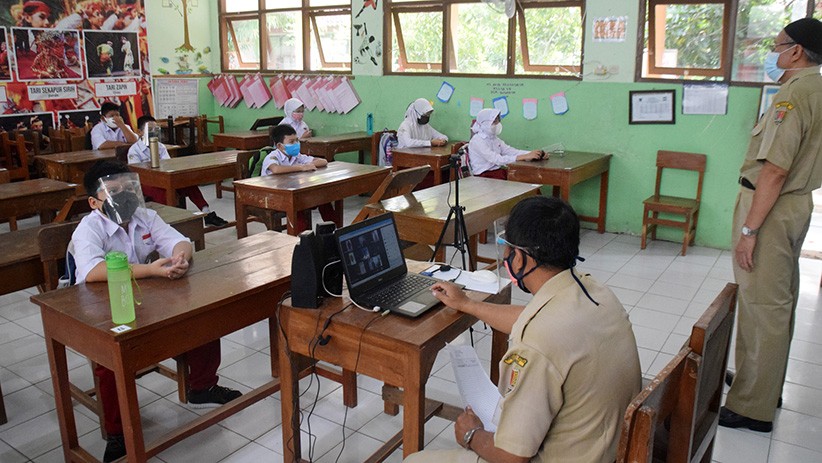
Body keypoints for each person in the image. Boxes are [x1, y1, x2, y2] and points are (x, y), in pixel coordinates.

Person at [405, 196, 641, 463]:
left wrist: (472, 434)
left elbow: (512, 458)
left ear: (521, 258)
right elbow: (529, 318)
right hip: (604, 447)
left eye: (507, 247)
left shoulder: (538, 344)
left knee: (414, 460)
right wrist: (467, 304)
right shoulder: (593, 290)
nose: (506, 256)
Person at [72, 161, 242, 462]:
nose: (123, 195)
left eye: (126, 188)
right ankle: (117, 432)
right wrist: (150, 269)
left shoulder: (143, 215)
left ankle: (202, 386)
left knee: (200, 313)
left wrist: (179, 259)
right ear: (94, 202)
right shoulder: (89, 228)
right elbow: (92, 271)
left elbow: (178, 241)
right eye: (113, 191)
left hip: (143, 292)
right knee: (110, 355)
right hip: (103, 302)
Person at [720, 17, 822, 433]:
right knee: (776, 300)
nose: (773, 54)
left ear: (796, 51)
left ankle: (752, 406)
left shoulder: (794, 97)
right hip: (796, 205)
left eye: (777, 46)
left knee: (764, 304)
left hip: (771, 206)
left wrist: (750, 230)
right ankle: (759, 382)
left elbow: (775, 170)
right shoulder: (817, 88)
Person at [128, 115, 229, 227]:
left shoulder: (160, 147)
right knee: (162, 191)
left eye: (156, 129)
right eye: (149, 129)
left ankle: (207, 213)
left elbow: (167, 163)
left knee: (188, 183)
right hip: (146, 183)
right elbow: (136, 173)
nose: (154, 132)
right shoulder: (134, 150)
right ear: (140, 132)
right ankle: (167, 222)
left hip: (162, 178)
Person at [261, 124, 335, 230]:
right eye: (291, 142)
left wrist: (308, 165)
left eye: (296, 140)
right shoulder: (273, 156)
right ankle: (301, 239)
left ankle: (333, 230)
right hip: (273, 195)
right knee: (298, 205)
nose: (296, 144)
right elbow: (276, 169)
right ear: (279, 146)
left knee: (323, 198)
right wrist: (301, 167)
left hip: (292, 192)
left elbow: (323, 161)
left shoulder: (296, 156)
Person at [467, 108, 543, 180]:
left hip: (497, 172)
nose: (497, 124)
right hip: (484, 176)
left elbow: (511, 151)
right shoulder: (477, 140)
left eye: (498, 120)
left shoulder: (494, 139)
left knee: (526, 177)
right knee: (521, 179)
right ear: (485, 123)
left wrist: (536, 154)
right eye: (494, 121)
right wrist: (522, 157)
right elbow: (496, 159)